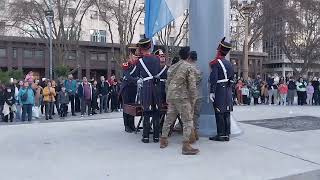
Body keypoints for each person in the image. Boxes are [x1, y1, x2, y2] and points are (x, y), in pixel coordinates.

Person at [160, 46, 199, 155]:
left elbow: (167, 83)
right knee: (187, 120)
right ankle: (186, 146)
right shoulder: (188, 67)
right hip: (182, 97)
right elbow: (192, 85)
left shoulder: (172, 67)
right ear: (188, 56)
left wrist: (168, 96)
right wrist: (193, 98)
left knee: (169, 119)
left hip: (171, 96)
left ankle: (163, 140)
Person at [133, 38, 161, 143]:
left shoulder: (140, 61)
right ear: (149, 47)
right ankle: (156, 137)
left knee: (146, 112)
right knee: (156, 112)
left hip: (146, 87)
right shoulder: (157, 59)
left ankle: (145, 137)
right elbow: (157, 70)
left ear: (141, 48)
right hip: (156, 87)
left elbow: (135, 74)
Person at [208, 37, 234, 142]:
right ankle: (227, 134)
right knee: (227, 113)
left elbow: (214, 79)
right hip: (228, 90)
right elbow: (232, 79)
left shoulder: (216, 63)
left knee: (219, 113)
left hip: (219, 90)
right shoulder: (230, 63)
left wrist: (211, 91)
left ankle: (220, 134)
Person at [119, 46, 139, 132]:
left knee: (133, 107)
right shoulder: (126, 65)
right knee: (127, 107)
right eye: (134, 57)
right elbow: (128, 77)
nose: (136, 58)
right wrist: (137, 79)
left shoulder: (138, 65)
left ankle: (132, 125)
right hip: (126, 88)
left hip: (134, 88)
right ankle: (126, 125)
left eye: (137, 57)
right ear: (130, 56)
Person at [187, 51, 202, 143]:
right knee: (196, 116)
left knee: (188, 117)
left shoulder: (187, 69)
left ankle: (190, 136)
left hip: (189, 96)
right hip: (199, 95)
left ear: (189, 57)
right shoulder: (199, 69)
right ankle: (196, 134)